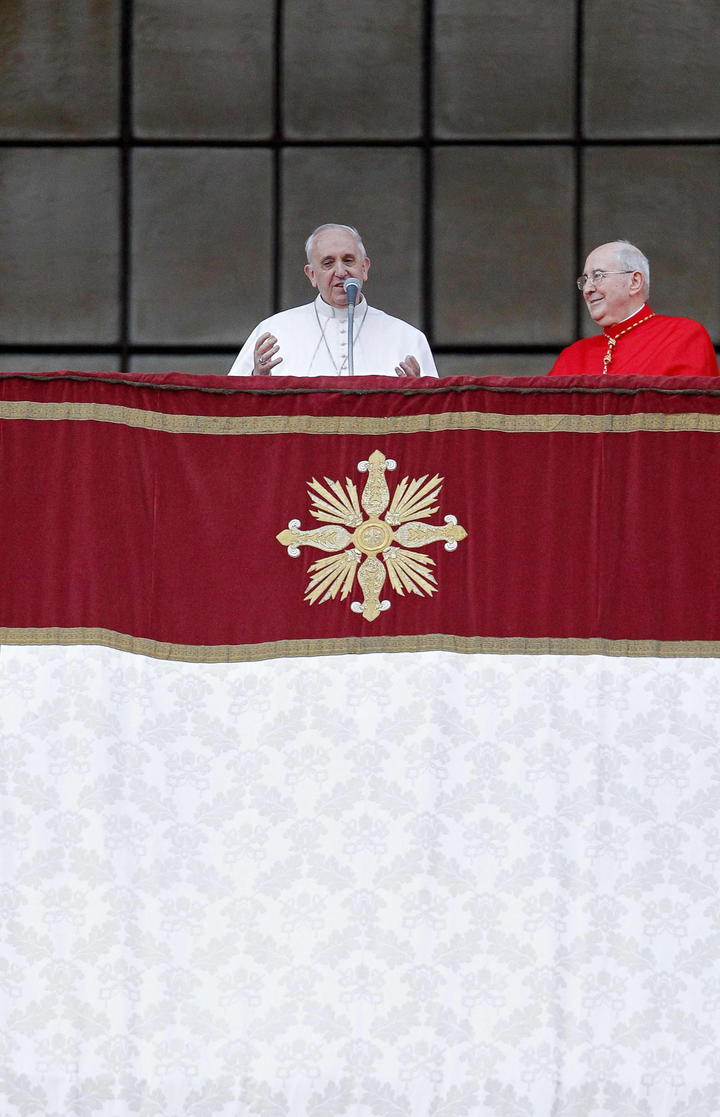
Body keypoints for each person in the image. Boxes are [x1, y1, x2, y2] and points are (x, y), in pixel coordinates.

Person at [228, 224, 438, 378]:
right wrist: (257, 380)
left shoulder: (408, 338)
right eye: (328, 263)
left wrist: (418, 395)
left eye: (348, 260)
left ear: (364, 268)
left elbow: (436, 421)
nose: (341, 272)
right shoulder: (273, 331)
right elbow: (232, 413)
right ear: (311, 275)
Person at [548, 240, 718, 377]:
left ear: (635, 282)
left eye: (597, 276)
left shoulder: (683, 336)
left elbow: (693, 414)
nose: (587, 289)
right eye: (585, 279)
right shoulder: (573, 356)